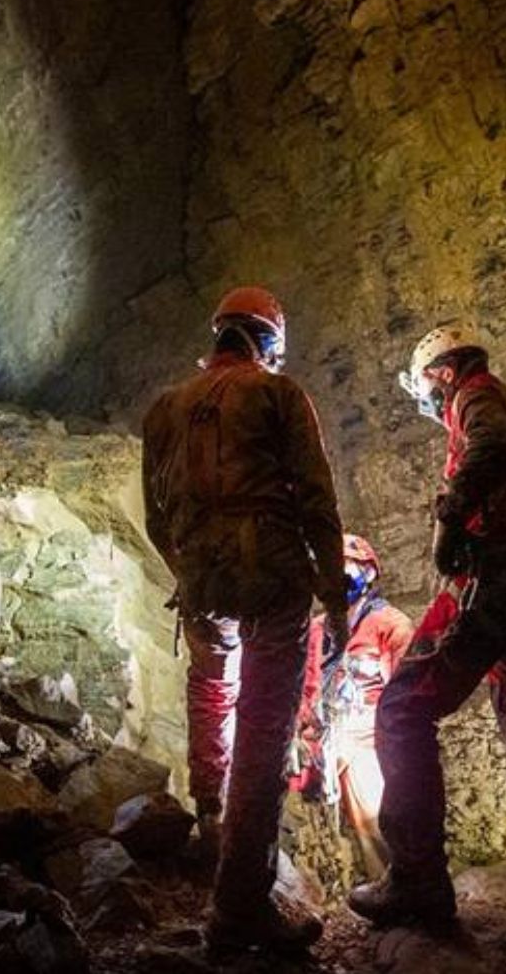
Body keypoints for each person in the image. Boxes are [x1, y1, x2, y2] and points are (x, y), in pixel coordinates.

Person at [349, 321, 506, 955]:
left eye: (426, 391)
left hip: (486, 588)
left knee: (402, 709)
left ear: (439, 372)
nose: (431, 405)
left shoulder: (477, 396)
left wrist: (448, 517)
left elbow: (484, 446)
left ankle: (418, 884)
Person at [140, 285, 349, 953]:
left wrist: (187, 572)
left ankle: (208, 810)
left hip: (203, 579)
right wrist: (336, 593)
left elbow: (154, 516)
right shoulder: (277, 395)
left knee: (210, 686)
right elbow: (317, 500)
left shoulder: (165, 407)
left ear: (220, 335)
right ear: (269, 343)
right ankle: (239, 909)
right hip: (271, 577)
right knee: (264, 730)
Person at [288, 533, 416, 878]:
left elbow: (405, 696)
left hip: (368, 742)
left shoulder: (390, 625)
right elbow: (303, 684)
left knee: (375, 819)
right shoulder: (316, 629)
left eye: (344, 569)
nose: (336, 579)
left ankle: (397, 883)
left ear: (368, 573)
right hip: (324, 741)